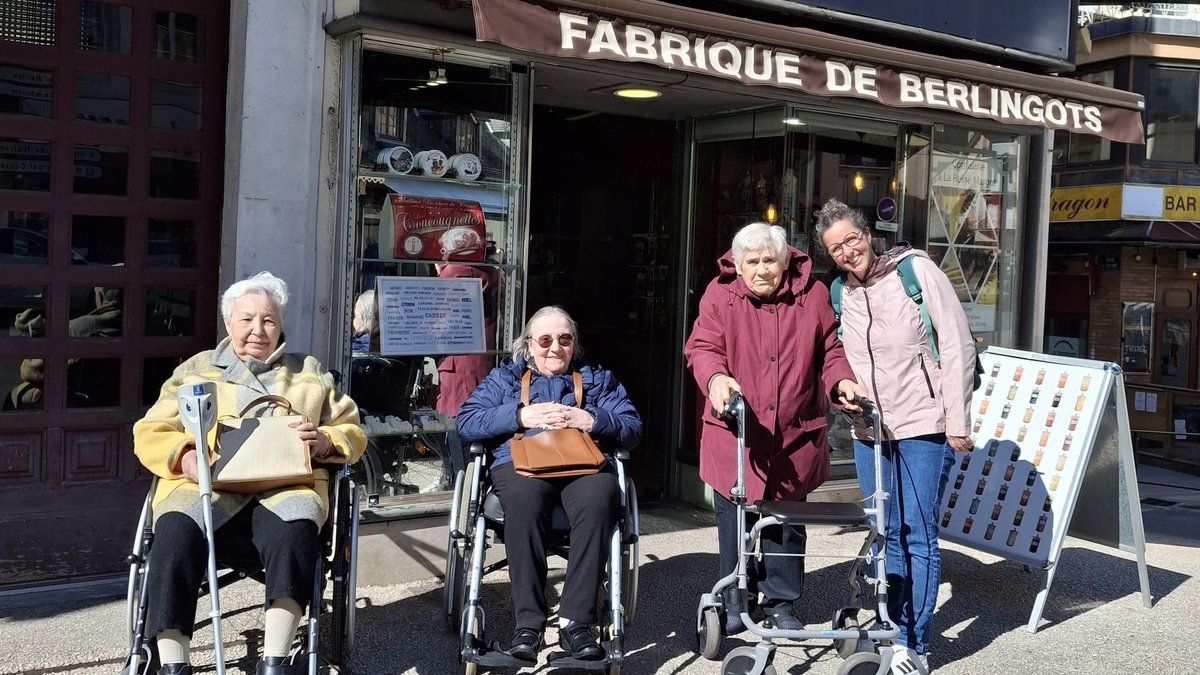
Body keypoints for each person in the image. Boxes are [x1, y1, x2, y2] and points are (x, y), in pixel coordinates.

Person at [133, 272, 366, 675]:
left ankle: (275, 659)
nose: (258, 330)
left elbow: (353, 430)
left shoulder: (306, 371)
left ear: (280, 325)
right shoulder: (196, 369)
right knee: (171, 532)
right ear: (228, 323)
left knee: (296, 529)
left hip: (284, 488)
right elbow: (150, 430)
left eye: (269, 320)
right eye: (247, 319)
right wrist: (184, 455)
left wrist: (326, 440)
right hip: (206, 490)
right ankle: (172, 662)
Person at [816, 198, 976, 675]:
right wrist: (840, 395)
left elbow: (957, 344)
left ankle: (913, 643)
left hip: (923, 424)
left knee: (918, 534)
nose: (846, 251)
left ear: (868, 234)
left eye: (851, 239)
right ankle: (891, 624)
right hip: (869, 432)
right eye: (835, 248)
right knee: (885, 532)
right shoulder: (838, 292)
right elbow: (836, 358)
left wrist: (958, 423)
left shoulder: (916, 273)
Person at [684, 222, 865, 633]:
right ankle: (737, 600)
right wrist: (715, 379)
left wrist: (841, 382)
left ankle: (782, 603)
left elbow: (831, 350)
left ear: (786, 262)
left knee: (786, 524)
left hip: (794, 435)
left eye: (770, 260)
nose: (763, 269)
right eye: (754, 261)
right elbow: (703, 346)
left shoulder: (813, 296)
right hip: (736, 433)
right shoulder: (720, 295)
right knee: (736, 521)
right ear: (738, 264)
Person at [455, 306, 641, 663]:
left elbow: (631, 426)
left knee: (601, 495)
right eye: (544, 339)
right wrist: (520, 415)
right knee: (524, 499)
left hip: (582, 463)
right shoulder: (504, 379)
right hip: (521, 463)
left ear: (574, 345)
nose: (554, 347)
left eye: (564, 339)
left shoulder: (597, 379)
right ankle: (528, 626)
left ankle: (576, 624)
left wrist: (592, 418)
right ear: (527, 345)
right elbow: (466, 422)